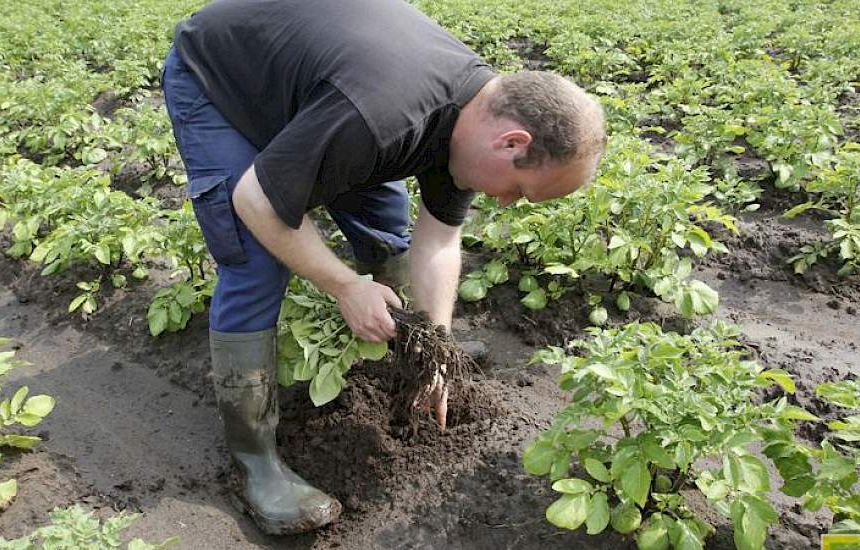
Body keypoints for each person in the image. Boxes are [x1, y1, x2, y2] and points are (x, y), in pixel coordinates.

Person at [161, 0, 606, 536]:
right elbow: (256, 202)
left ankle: (404, 353)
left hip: (321, 95)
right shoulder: (379, 117)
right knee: (256, 262)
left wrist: (438, 353)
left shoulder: (472, 113)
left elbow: (439, 239)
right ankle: (256, 460)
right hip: (221, 83)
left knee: (383, 220)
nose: (507, 203)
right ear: (512, 142)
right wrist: (345, 285)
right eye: (519, 190)